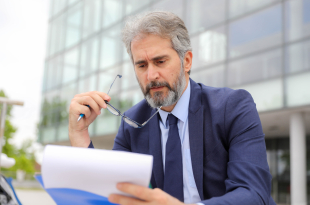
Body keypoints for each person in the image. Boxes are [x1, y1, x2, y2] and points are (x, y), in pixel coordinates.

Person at [68, 11, 276, 205]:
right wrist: (80, 136)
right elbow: (111, 196)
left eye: (160, 61)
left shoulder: (233, 107)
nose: (151, 75)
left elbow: (254, 194)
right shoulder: (132, 123)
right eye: (142, 65)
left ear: (186, 61)